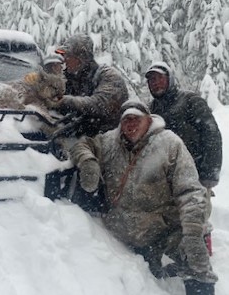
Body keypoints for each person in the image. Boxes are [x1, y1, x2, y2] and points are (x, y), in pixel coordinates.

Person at [71, 100, 217, 295]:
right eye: (126, 120)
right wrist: (88, 160)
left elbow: (190, 192)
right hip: (122, 232)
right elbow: (82, 145)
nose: (130, 125)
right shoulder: (110, 142)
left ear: (148, 120)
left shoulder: (169, 143)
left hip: (162, 231)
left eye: (135, 119)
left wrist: (192, 235)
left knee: (195, 260)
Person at [145, 61, 222, 190]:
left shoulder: (190, 100)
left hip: (194, 175)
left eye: (160, 78)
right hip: (164, 181)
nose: (156, 83)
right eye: (152, 80)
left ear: (170, 79)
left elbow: (211, 134)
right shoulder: (150, 110)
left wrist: (210, 174)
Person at [52, 34, 129, 137]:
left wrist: (66, 101)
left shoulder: (108, 76)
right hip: (78, 137)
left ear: (82, 58)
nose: (64, 60)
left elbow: (100, 104)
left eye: (68, 56)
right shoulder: (68, 77)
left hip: (108, 140)